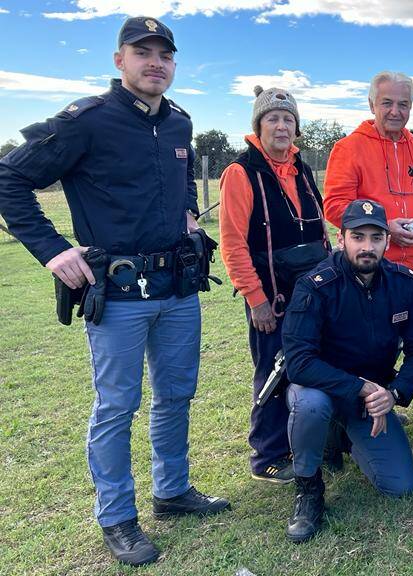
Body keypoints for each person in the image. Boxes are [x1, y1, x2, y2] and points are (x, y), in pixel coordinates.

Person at [0, 17, 229, 566]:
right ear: (118, 60)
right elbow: (9, 179)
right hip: (119, 294)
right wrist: (55, 251)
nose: (155, 62)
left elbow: (174, 186)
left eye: (164, 54)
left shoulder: (179, 122)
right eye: (142, 51)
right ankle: (118, 518)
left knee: (176, 395)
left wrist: (190, 216)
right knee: (117, 405)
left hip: (177, 288)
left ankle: (171, 491)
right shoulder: (87, 122)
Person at [280, 199, 413, 543]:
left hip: (372, 397)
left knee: (400, 485)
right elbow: (299, 362)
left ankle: (342, 435)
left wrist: (392, 395)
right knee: (312, 405)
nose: (367, 247)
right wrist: (359, 387)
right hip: (320, 388)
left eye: (375, 238)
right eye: (358, 237)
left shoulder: (403, 284)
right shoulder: (315, 285)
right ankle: (309, 488)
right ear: (341, 238)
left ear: (387, 242)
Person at [219, 86, 330, 485]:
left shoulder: (300, 168)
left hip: (313, 286)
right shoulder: (241, 172)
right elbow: (232, 243)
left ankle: (327, 436)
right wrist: (255, 298)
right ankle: (268, 454)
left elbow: (318, 229)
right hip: (272, 294)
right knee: (273, 369)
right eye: (273, 119)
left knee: (319, 359)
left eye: (288, 119)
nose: (281, 126)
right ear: (258, 125)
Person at [323, 71, 413, 272]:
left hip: (411, 266)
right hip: (366, 264)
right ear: (371, 104)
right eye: (386, 103)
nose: (395, 111)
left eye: (403, 104)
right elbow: (335, 206)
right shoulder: (349, 148)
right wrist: (383, 226)